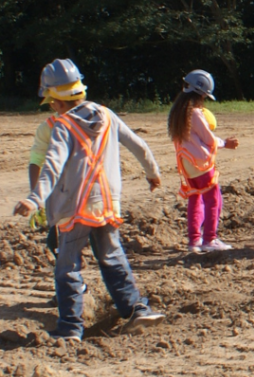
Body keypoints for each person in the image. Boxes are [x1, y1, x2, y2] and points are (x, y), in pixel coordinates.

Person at [13, 60, 164, 342]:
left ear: (55, 100)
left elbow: (52, 166)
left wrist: (35, 199)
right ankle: (136, 309)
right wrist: (152, 174)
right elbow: (138, 145)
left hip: (74, 209)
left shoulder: (62, 125)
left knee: (67, 267)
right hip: (107, 204)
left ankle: (70, 328)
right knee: (112, 257)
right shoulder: (107, 115)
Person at [167, 70, 238, 253]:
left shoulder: (177, 112)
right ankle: (209, 239)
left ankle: (194, 240)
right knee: (213, 199)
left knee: (195, 199)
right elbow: (209, 139)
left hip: (186, 165)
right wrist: (225, 143)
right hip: (200, 164)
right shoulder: (195, 113)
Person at [28, 60, 89, 259]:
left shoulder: (93, 120)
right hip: (74, 197)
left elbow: (37, 162)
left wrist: (36, 197)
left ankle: (69, 279)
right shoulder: (97, 119)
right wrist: (37, 197)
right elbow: (36, 162)